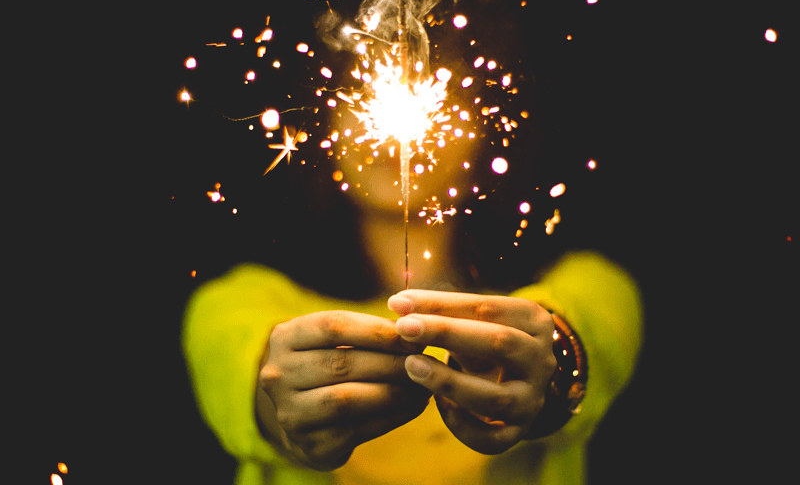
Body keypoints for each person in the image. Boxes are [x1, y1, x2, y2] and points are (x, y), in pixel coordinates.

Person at [182, 105, 643, 484]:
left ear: (482, 127)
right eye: (360, 97)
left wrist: (545, 364)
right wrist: (287, 409)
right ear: (330, 131)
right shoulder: (240, 298)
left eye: (431, 95)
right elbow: (248, 369)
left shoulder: (586, 280)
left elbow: (584, 332)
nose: (392, 120)